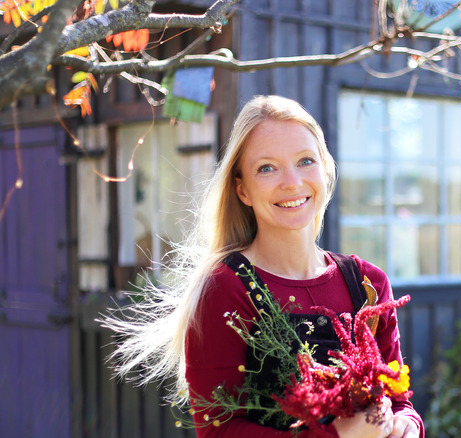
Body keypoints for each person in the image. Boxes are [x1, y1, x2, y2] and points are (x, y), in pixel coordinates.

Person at [105, 95, 423, 438]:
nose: (291, 182)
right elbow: (218, 431)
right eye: (267, 168)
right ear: (242, 190)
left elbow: (400, 401)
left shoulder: (367, 284)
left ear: (325, 169)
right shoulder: (225, 289)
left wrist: (404, 426)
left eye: (305, 161)